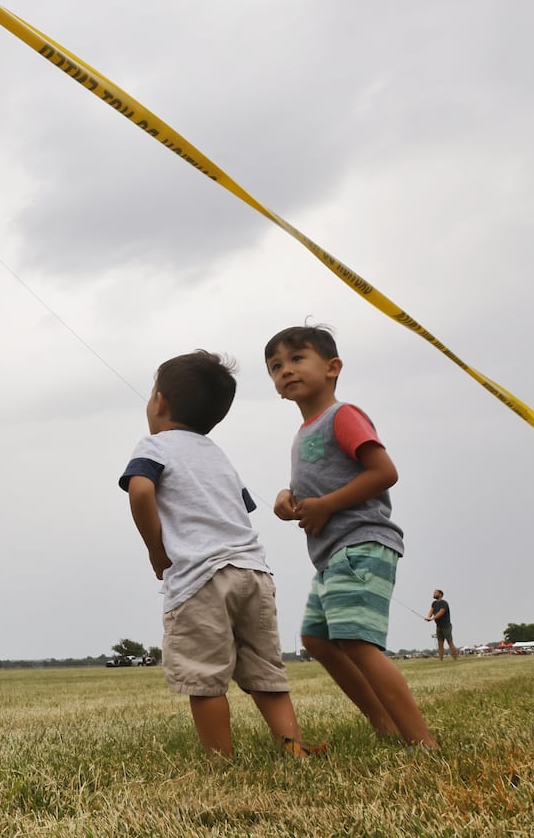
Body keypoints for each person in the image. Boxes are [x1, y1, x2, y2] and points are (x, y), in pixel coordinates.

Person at [119, 350, 324, 759]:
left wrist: (156, 550)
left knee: (204, 678)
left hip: (201, 579)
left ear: (159, 402)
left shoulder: (155, 445)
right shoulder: (217, 454)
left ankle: (221, 759)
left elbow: (141, 489)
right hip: (253, 573)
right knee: (266, 673)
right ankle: (294, 748)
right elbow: (240, 506)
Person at [264, 325, 439, 749]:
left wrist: (326, 506)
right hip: (330, 554)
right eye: (275, 366)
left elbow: (384, 473)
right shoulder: (304, 432)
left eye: (297, 358)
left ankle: (422, 743)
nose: (286, 370)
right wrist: (287, 498)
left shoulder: (343, 416)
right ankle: (386, 727)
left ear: (332, 367)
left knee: (356, 642)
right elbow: (313, 486)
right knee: (317, 639)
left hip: (362, 541)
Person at [425, 589, 459, 661]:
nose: (433, 594)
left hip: (446, 626)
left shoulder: (444, 603)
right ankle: (441, 660)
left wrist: (432, 618)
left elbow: (441, 612)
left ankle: (455, 658)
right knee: (440, 644)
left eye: (435, 593)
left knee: (450, 643)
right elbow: (431, 611)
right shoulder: (434, 603)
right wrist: (428, 617)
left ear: (440, 594)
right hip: (439, 626)